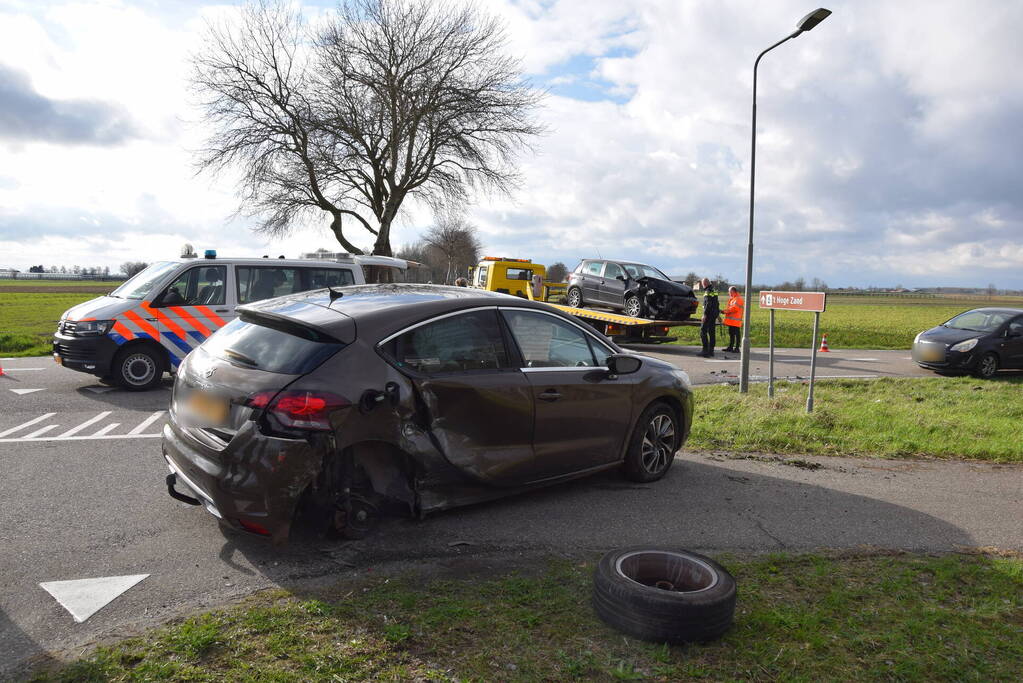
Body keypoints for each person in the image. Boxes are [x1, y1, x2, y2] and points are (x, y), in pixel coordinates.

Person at [699, 277, 721, 357]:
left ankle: (705, 351)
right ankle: (711, 351)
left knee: (702, 331)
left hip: (708, 314)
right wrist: (718, 315)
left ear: (705, 283)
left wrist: (704, 314)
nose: (702, 285)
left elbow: (708, 304)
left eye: (702, 284)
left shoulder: (708, 291)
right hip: (714, 314)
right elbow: (716, 304)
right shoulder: (714, 291)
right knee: (712, 332)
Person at [723, 286, 743, 353]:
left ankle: (737, 348)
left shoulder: (737, 299)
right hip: (732, 321)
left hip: (736, 321)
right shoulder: (733, 299)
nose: (728, 293)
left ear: (733, 291)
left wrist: (725, 311)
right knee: (731, 334)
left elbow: (734, 309)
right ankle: (731, 347)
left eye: (729, 291)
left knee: (736, 334)